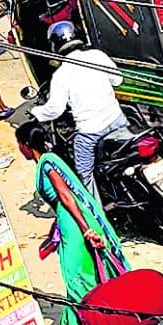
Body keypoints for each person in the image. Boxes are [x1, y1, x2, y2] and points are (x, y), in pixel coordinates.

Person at [21, 123, 125, 325]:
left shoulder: (47, 163)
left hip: (74, 225)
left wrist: (85, 230)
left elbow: (66, 197)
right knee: (89, 277)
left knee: (78, 281)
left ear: (25, 145)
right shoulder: (50, 160)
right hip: (70, 222)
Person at [31, 20, 126, 201]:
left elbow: (55, 109)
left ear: (55, 46)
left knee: (84, 174)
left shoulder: (61, 75)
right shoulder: (97, 56)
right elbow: (118, 80)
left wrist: (37, 112)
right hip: (118, 120)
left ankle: (96, 212)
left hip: (91, 132)